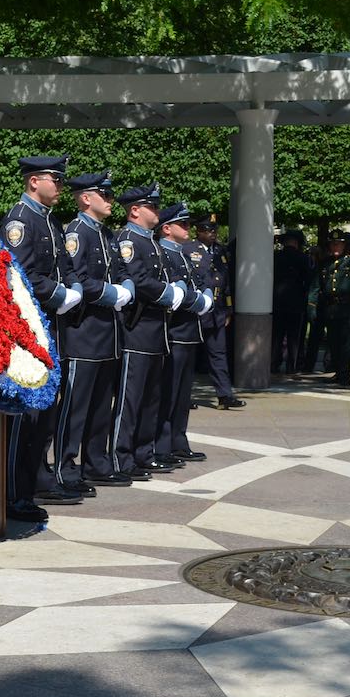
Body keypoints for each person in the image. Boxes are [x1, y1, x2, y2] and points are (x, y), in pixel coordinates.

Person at [1, 155, 87, 521]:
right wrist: (58, 294)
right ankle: (12, 495)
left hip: (50, 330)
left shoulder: (49, 221)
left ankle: (33, 482)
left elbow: (64, 268)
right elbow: (18, 274)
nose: (61, 187)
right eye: (56, 179)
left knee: (44, 416)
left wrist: (74, 288)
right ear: (34, 180)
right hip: (28, 331)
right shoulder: (21, 220)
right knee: (25, 419)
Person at [113, 183, 202, 478]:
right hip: (138, 328)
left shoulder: (150, 241)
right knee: (131, 400)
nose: (158, 212)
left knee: (151, 399)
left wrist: (178, 290)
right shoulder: (128, 238)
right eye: (152, 207)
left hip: (157, 330)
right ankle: (122, 458)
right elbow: (138, 280)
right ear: (135, 210)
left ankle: (143, 453)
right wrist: (168, 293)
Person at [54, 170, 134, 489]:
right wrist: (113, 293)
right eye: (106, 195)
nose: (112, 200)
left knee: (101, 404)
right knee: (76, 407)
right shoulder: (77, 232)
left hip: (108, 334)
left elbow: (123, 269)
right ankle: (65, 465)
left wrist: (126, 285)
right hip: (84, 332)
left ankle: (96, 461)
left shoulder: (107, 234)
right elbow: (77, 278)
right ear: (87, 198)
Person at [157, 203, 214, 463]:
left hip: (190, 331)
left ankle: (179, 440)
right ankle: (164, 443)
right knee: (168, 391)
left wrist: (208, 295)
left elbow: (202, 282)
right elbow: (175, 292)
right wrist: (198, 301)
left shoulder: (182, 253)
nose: (188, 228)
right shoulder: (164, 254)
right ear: (167, 229)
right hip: (174, 331)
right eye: (184, 224)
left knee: (182, 394)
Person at [308, 230, 350, 385]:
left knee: (347, 342)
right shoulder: (324, 263)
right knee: (333, 342)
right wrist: (312, 306)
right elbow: (316, 286)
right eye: (333, 243)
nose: (336, 246)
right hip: (331, 308)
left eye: (339, 243)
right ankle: (338, 371)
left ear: (344, 245)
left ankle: (345, 373)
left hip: (348, 307)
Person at [193, 217, 243, 409]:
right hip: (197, 310)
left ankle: (224, 395)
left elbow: (226, 282)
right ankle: (183, 396)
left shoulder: (220, 251)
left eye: (214, 230)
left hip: (217, 311)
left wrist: (229, 308)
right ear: (199, 231)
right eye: (207, 230)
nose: (212, 233)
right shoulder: (189, 250)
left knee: (218, 353)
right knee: (189, 355)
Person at [271, 231, 309, 374]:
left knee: (277, 336)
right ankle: (292, 366)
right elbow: (308, 279)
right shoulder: (303, 258)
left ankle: (273, 363)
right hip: (296, 302)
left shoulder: (276, 257)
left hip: (277, 301)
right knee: (294, 337)